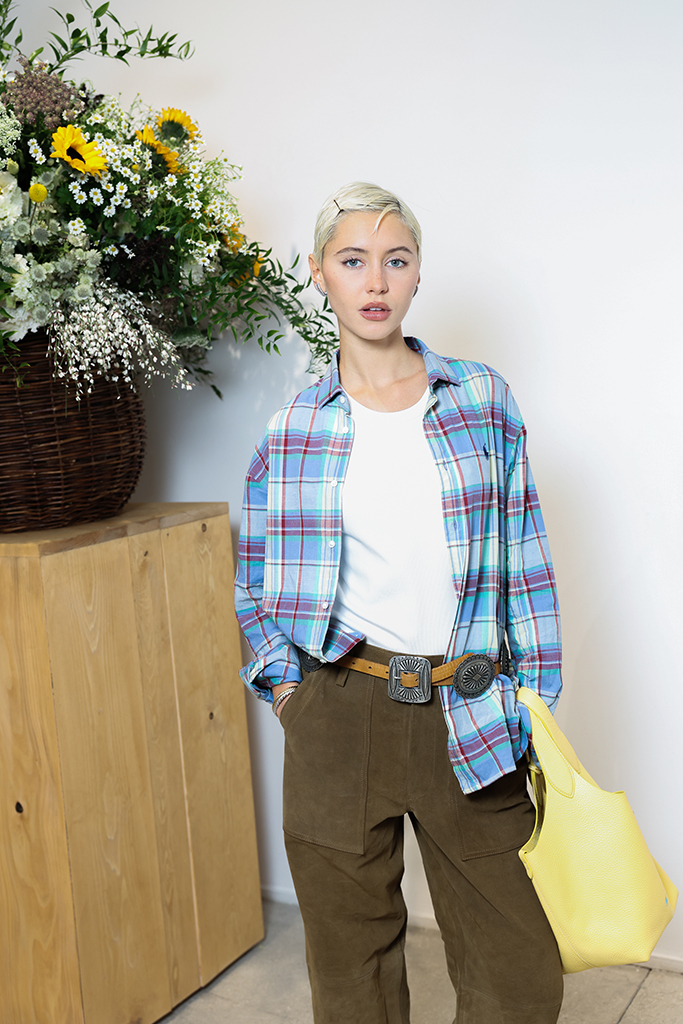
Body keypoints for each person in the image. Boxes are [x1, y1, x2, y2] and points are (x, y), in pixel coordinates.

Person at [234, 182, 564, 1024]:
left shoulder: (480, 400)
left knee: (518, 974)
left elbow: (525, 551)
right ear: (320, 274)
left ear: (418, 274)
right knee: (352, 973)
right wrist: (289, 693)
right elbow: (256, 581)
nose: (375, 281)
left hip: (469, 702)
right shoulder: (292, 429)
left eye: (395, 260)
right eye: (352, 261)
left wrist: (531, 701)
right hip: (339, 708)